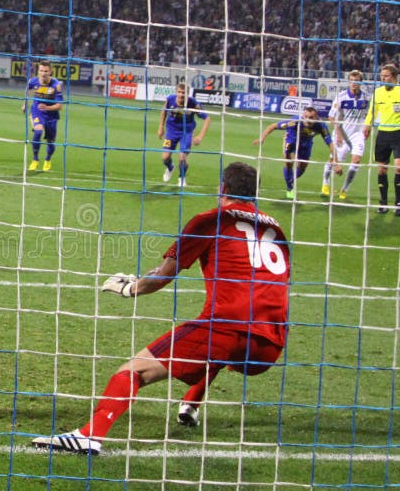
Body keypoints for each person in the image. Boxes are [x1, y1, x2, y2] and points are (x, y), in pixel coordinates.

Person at [32, 162, 290, 455]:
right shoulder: (276, 228)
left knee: (133, 371)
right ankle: (191, 404)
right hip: (270, 344)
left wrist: (132, 287)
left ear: (223, 189)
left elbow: (165, 274)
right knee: (218, 348)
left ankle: (89, 435)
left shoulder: (211, 219)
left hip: (227, 327)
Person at [362, 63, 400, 216]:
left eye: (386, 76)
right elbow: (371, 111)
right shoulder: (378, 92)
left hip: (399, 134)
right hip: (383, 134)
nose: (383, 79)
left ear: (394, 77)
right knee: (382, 169)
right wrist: (367, 125)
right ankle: (383, 203)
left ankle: (398, 204)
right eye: (381, 76)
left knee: (399, 167)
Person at [253, 106, 332, 199]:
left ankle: (290, 179)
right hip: (291, 140)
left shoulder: (321, 126)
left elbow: (330, 143)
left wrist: (336, 161)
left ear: (316, 117)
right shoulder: (294, 122)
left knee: (303, 167)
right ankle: (290, 188)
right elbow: (273, 126)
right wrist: (262, 138)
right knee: (289, 162)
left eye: (311, 118)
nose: (308, 120)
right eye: (305, 116)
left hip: (306, 143)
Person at [321, 70, 369, 199]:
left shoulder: (366, 97)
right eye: (352, 81)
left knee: (356, 161)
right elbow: (331, 117)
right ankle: (325, 183)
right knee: (333, 160)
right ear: (349, 82)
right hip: (342, 132)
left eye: (357, 81)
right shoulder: (341, 96)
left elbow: (370, 115)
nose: (354, 84)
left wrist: (367, 127)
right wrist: (338, 133)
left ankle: (344, 189)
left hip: (357, 134)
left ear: (361, 82)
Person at [157, 82, 210, 187]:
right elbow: (163, 112)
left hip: (186, 133)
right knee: (165, 157)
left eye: (184, 93)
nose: (181, 95)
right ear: (176, 92)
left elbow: (207, 118)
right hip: (171, 131)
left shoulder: (193, 104)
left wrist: (200, 136)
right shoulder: (170, 99)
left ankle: (182, 177)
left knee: (182, 158)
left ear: (187, 94)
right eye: (179, 92)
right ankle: (170, 168)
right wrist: (161, 128)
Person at [22, 60, 63, 172]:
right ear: (38, 71)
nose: (43, 73)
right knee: (38, 131)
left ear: (50, 72)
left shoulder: (56, 85)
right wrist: (25, 103)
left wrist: (47, 107)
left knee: (50, 141)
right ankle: (35, 159)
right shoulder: (33, 81)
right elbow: (28, 90)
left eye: (46, 71)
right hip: (37, 111)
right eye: (41, 70)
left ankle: (48, 159)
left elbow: (59, 106)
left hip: (51, 115)